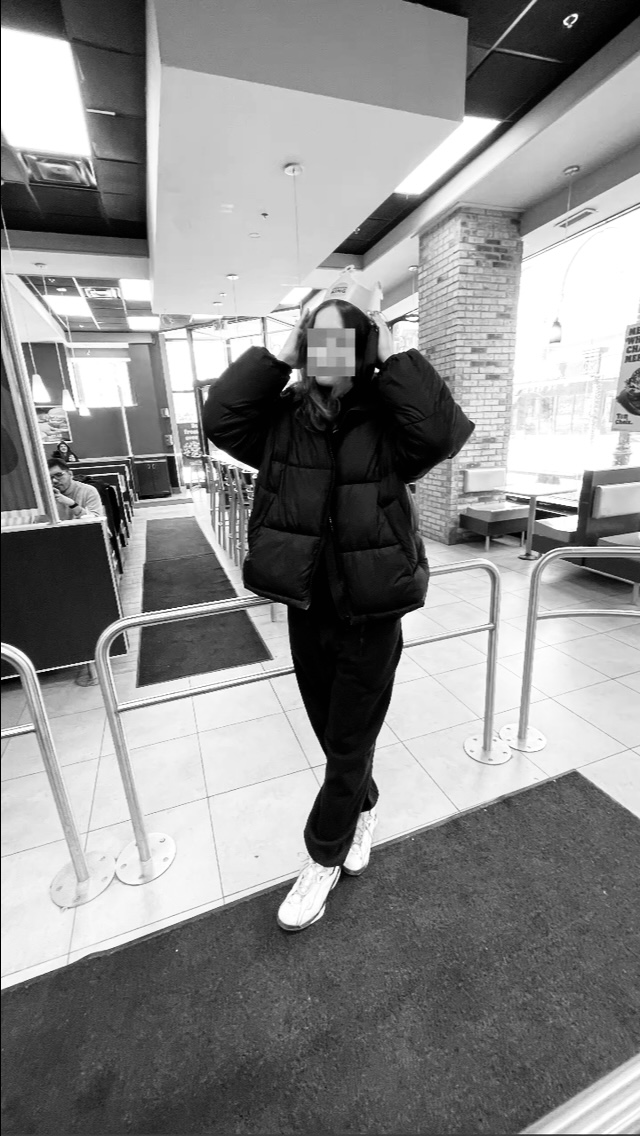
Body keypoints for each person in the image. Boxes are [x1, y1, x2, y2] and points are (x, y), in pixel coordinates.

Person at [203, 275, 474, 933]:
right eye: (318, 336)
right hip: (306, 604)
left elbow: (442, 433)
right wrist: (283, 350)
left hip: (372, 608)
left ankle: (322, 856)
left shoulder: (389, 419)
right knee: (333, 732)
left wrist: (389, 351)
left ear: (363, 345)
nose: (330, 348)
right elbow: (221, 419)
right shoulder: (282, 420)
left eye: (343, 336)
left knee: (349, 741)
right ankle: (364, 805)